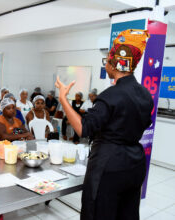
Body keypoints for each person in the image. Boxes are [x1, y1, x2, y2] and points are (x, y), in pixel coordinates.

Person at [55, 29, 152, 220]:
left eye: (107, 60)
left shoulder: (110, 95)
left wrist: (63, 99)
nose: (105, 64)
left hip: (109, 165)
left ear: (116, 63)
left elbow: (84, 128)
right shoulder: (144, 93)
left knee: (99, 213)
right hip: (135, 162)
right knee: (127, 213)